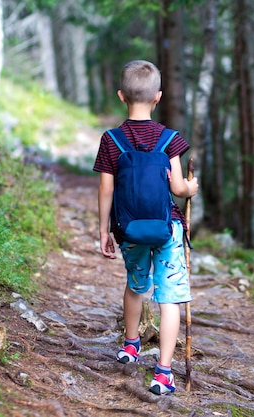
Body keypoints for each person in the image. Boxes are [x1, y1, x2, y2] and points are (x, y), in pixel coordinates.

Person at [93, 59, 199, 395]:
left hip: (129, 230)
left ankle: (131, 344)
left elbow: (106, 188)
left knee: (136, 286)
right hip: (167, 230)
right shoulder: (169, 139)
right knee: (169, 300)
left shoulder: (111, 140)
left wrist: (103, 231)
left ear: (121, 95)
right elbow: (179, 188)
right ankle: (164, 373)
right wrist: (192, 189)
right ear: (158, 97)